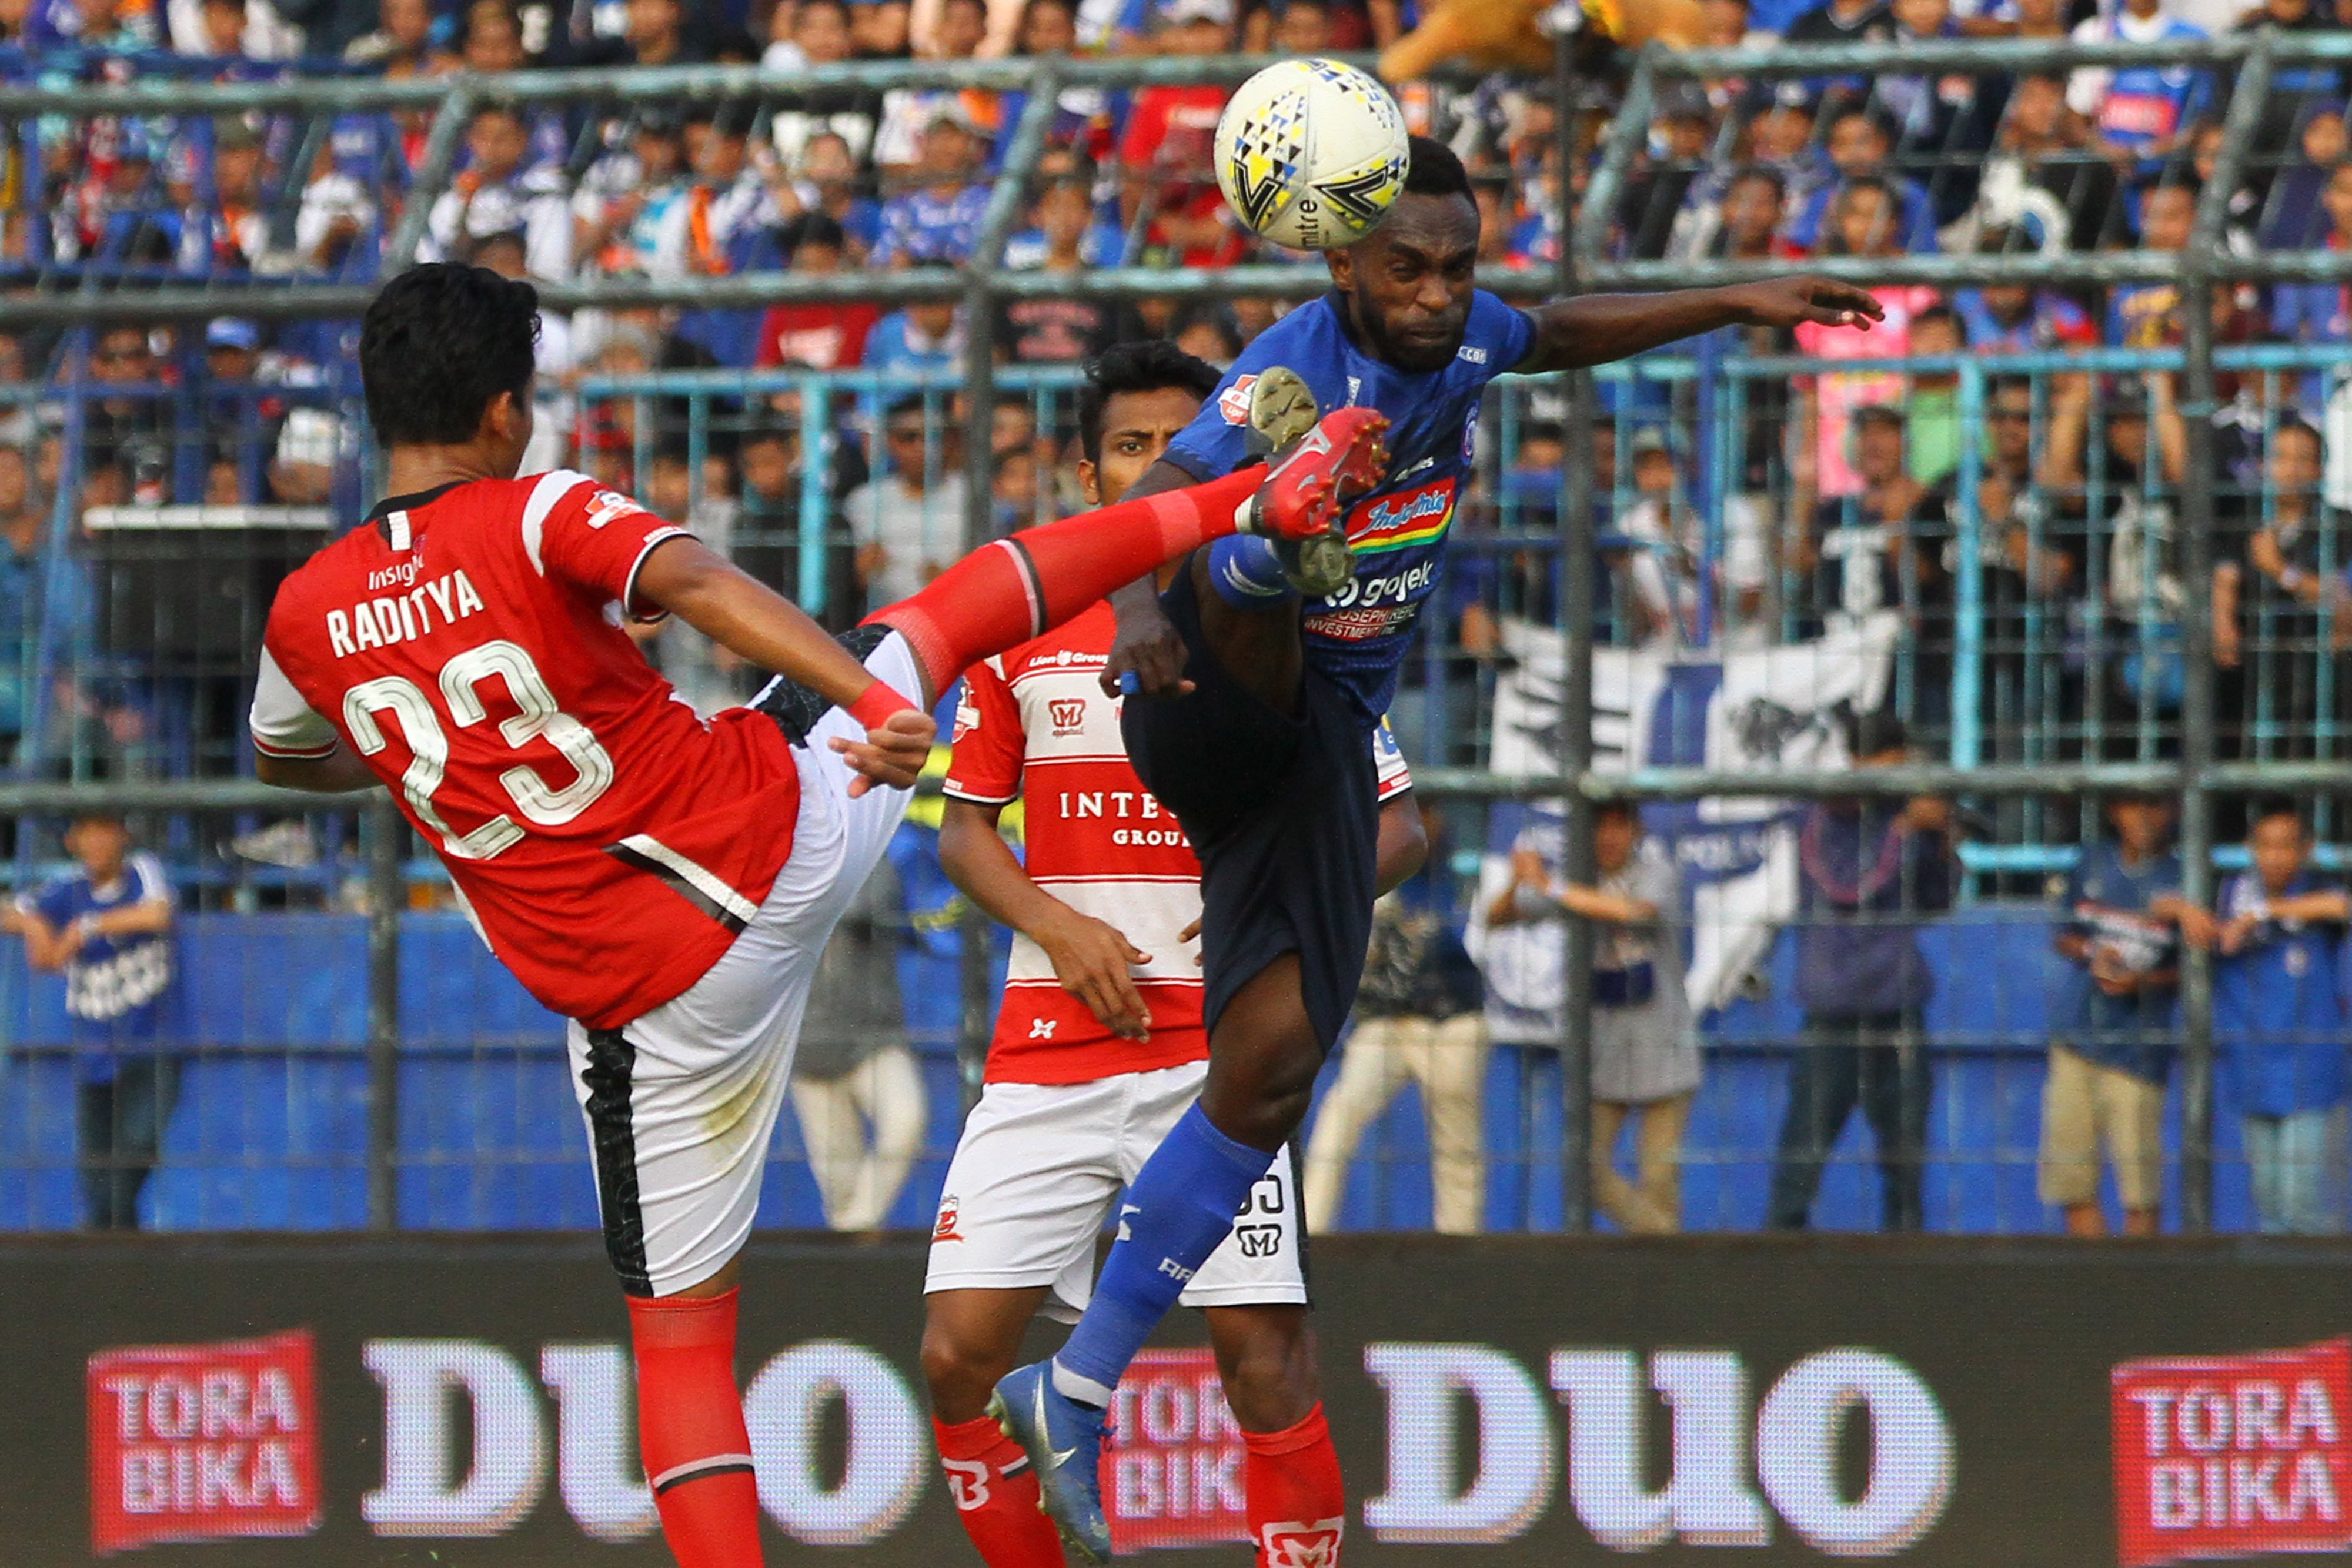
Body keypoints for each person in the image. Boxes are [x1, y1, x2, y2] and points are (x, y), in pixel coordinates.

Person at [245, 263, 1390, 1568]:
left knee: (680, 1349)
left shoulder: (304, 613)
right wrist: (866, 692)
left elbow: (291, 760)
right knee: (947, 611)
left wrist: (428, 749)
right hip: (777, 828)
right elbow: (700, 582)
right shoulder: (536, 508)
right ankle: (1243, 496)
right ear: (509, 411)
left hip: (645, 1003)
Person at [991, 132, 1885, 1562]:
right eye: (1405, 268)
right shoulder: (1287, 362)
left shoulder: (1462, 338)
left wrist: (1739, 297)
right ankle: (1284, 536)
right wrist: (1146, 609)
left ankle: (1075, 1384)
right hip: (1209, 700)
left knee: (1268, 1070)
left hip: (1320, 760)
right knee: (1268, 522)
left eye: (1456, 268)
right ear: (1340, 258)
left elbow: (1567, 331)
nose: (1434, 294)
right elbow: (1155, 500)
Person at [927, 340, 1422, 1568]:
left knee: (1262, 1362)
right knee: (955, 1357)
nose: (1157, 463)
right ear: (1086, 473)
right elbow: (964, 833)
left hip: (1211, 1060)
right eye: (1131, 446)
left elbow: (1400, 822)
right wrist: (1056, 923)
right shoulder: (1021, 623)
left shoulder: (1274, 610)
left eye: (1179, 441)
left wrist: (1280, 885)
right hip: (1048, 1047)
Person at [1766, 711, 1958, 1232]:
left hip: (1897, 1007)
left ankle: (1907, 1290)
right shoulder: (1819, 814)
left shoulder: (1906, 815)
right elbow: (1850, 885)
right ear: (1858, 763)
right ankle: (1770, 1281)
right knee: (1800, 1166)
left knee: (1905, 1169)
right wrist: (1901, 827)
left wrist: (1941, 837)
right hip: (1831, 1012)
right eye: (1889, 767)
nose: (1897, 778)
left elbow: (1938, 902)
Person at [1482, 799, 1698, 1233]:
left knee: (1659, 1178)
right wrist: (1517, 880)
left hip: (1664, 1047)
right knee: (1585, 1172)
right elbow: (1497, 918)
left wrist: (1552, 886)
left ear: (1638, 831)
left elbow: (1636, 911)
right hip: (1605, 1051)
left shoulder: (1655, 873)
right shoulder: (1576, 881)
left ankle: (1665, 1273)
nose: (1610, 836)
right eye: (1601, 826)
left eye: (1621, 825)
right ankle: (1668, 1248)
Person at [1301, 795, 1486, 1235]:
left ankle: (1460, 1247)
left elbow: (1471, 939)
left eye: (1430, 812)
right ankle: (1311, 1231)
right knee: (1340, 1115)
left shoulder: (1461, 875)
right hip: (1387, 1023)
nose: (1422, 822)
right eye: (1411, 811)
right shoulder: (1371, 865)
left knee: (1457, 1144)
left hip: (1452, 1019)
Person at [2177, 801, 2352, 1235]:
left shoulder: (2318, 891)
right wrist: (2189, 915)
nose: (2276, 856)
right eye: (2266, 846)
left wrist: (2262, 913)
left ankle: (2326, 1296)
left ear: (2307, 850)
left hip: (2310, 1069)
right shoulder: (2226, 894)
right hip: (2251, 1064)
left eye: (2288, 846)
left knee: (2302, 1196)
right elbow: (2164, 902)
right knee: (2269, 1198)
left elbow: (2341, 906)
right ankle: (2283, 1299)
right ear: (2250, 848)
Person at [10, 813, 177, 1231]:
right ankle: (119, 1258)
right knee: (98, 1170)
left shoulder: (144, 872)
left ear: (124, 835)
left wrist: (85, 927)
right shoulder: (68, 889)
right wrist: (32, 923)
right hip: (94, 1051)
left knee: (137, 1147)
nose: (98, 842)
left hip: (152, 1045)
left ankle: (106, 1247)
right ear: (73, 841)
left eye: (107, 831)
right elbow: (14, 914)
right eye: (88, 833)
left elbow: (157, 915)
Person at [2045, 793, 2182, 1237]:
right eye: (2131, 804)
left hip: (2140, 1051)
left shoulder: (2183, 875)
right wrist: (2091, 951)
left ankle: (2136, 1297)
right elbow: (2065, 935)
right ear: (2114, 812)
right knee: (2073, 1182)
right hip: (2077, 1039)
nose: (2143, 815)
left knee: (2141, 1193)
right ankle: (2095, 1295)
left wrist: (2142, 981)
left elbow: (2199, 970)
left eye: (2155, 805)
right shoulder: (2092, 862)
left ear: (2174, 810)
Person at [790, 857, 928, 1232]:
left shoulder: (873, 859)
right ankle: (850, 1252)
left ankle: (854, 1231)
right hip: (806, 1044)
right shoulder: (778, 861)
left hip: (873, 1036)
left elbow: (864, 908)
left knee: (905, 1120)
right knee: (838, 1179)